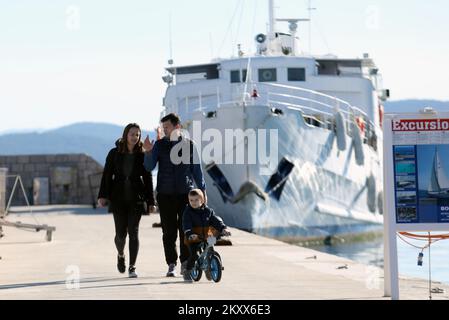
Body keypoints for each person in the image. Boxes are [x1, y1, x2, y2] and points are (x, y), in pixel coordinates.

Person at [143, 113, 206, 277]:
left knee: (185, 230)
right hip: (165, 195)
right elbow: (149, 167)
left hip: (186, 195)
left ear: (177, 127)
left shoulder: (190, 145)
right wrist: (148, 152)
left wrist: (203, 193)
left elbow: (197, 171)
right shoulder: (159, 145)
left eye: (167, 127)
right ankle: (171, 264)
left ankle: (185, 263)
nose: (164, 130)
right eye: (163, 128)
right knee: (168, 232)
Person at [98, 123, 156, 278]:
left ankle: (132, 266)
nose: (135, 137)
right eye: (132, 134)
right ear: (125, 135)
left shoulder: (142, 154)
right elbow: (107, 175)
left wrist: (151, 201)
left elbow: (148, 177)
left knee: (134, 232)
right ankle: (121, 254)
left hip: (136, 199)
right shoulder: (114, 153)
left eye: (137, 135)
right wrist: (102, 196)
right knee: (120, 235)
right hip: (118, 198)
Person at [182, 189, 231, 282]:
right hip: (194, 238)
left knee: (211, 249)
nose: (193, 202)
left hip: (207, 236)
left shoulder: (208, 211)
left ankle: (210, 268)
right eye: (191, 200)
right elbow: (186, 224)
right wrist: (190, 233)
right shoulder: (188, 212)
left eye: (196, 200)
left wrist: (223, 229)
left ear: (202, 200)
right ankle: (187, 271)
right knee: (195, 255)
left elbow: (216, 221)